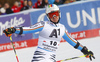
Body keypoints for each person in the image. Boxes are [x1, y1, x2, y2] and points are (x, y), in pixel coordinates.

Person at [3, 4, 95, 62]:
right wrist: (14, 30)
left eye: (56, 14)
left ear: (59, 14)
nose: (54, 17)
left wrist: (85, 50)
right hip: (40, 57)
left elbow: (73, 41)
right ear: (48, 17)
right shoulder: (44, 25)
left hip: (51, 57)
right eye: (51, 15)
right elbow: (29, 29)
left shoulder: (62, 28)